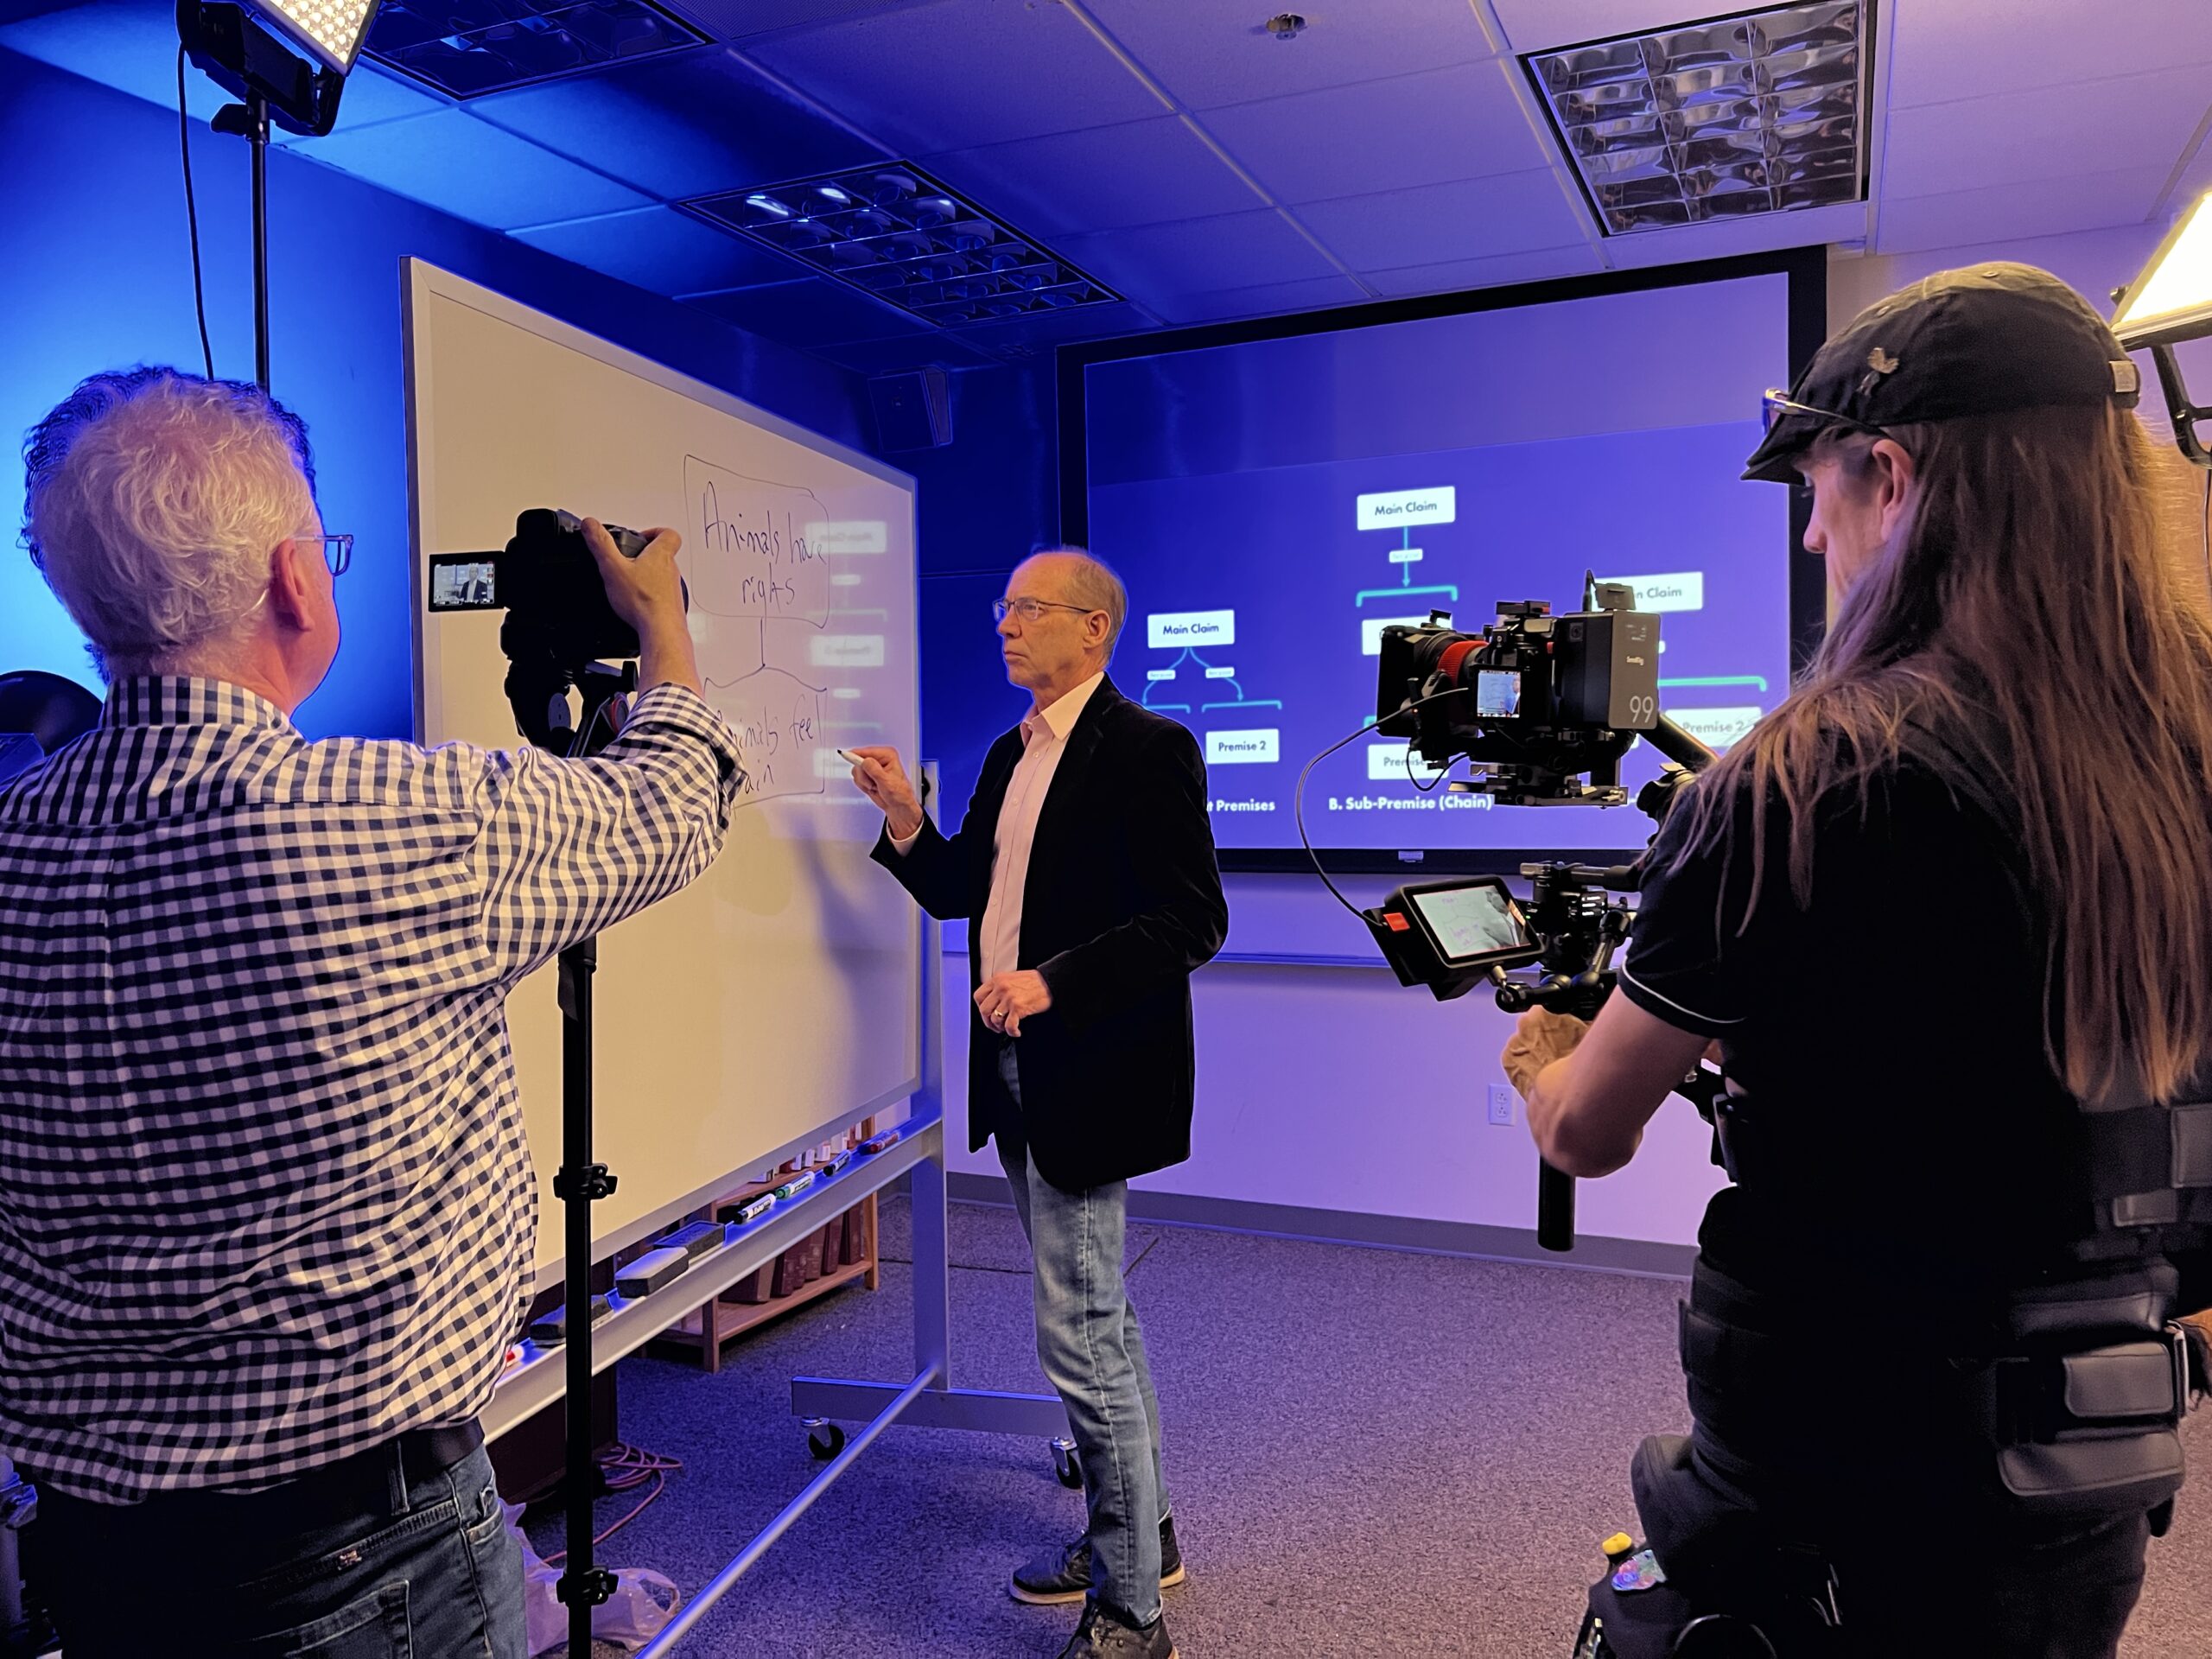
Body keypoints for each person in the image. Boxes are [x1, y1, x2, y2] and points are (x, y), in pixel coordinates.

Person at [1501, 264, 2212, 1657]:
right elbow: (2008, 1048)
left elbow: (1587, 1133)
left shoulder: (1797, 783)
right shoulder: (2184, 755)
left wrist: (1542, 1056)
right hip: (2093, 1473)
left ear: (1890, 475)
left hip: (1836, 1481)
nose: (1817, 538)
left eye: (1816, 492)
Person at [3, 369, 742, 1656]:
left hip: (92, 1555)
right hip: (368, 1556)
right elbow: (677, 800)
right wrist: (661, 621)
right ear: (297, 579)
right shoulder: (401, 822)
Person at [849, 547, 1226, 1659]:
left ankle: (1129, 1612)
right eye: (1003, 609)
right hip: (1014, 1068)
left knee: (1081, 1332)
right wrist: (906, 822)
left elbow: (1191, 922)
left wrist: (1054, 981)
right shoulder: (1010, 751)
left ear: (1093, 629)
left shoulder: (1150, 751)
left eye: (1029, 610)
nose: (1006, 626)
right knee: (1098, 1316)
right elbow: (968, 887)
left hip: (1087, 1065)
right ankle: (1140, 1539)